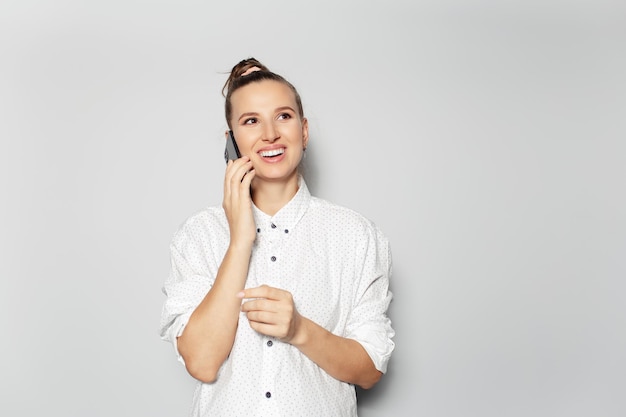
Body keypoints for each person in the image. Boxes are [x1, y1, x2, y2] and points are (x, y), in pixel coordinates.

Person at [160, 57, 395, 416]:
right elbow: (202, 363)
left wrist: (300, 329)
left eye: (283, 116)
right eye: (251, 121)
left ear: (303, 131)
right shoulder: (200, 235)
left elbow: (370, 370)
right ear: (232, 141)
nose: (269, 134)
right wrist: (240, 240)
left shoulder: (356, 235)